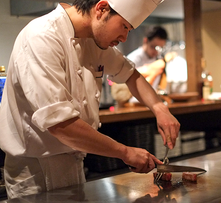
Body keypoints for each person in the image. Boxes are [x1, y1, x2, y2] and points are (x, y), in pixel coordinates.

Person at [0, 0, 180, 199]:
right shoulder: (42, 36)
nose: (124, 37)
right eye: (124, 26)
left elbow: (130, 74)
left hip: (74, 163)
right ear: (101, 9)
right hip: (35, 173)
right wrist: (125, 152)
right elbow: (61, 125)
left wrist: (160, 108)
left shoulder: (92, 40)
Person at [127, 26, 177, 98]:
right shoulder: (132, 59)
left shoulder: (159, 58)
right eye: (153, 47)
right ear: (145, 41)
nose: (156, 51)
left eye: (159, 48)